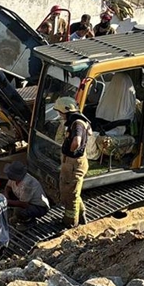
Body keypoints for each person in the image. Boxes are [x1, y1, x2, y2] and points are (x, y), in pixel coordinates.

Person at [54, 97, 91, 228]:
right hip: (74, 163)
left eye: (60, 113)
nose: (60, 115)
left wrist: (70, 152)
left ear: (66, 111)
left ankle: (70, 222)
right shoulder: (78, 121)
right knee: (73, 191)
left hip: (73, 164)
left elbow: (76, 142)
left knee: (71, 196)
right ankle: (81, 214)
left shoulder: (77, 124)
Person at [3, 161, 50, 227]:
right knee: (8, 196)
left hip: (38, 207)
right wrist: (6, 196)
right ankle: (18, 217)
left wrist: (6, 201)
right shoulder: (14, 179)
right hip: (25, 201)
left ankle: (29, 222)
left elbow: (23, 204)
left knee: (19, 210)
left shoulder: (27, 184)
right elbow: (8, 187)